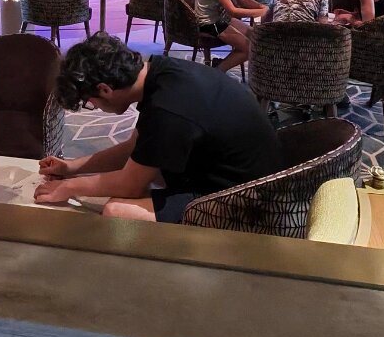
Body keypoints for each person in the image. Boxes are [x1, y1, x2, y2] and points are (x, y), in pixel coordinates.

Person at [33, 34, 285, 223]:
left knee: (117, 211)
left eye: (90, 102)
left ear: (105, 89)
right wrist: (71, 168)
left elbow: (129, 185)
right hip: (241, 172)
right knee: (144, 173)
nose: (95, 107)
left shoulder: (167, 109)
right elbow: (135, 148)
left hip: (249, 200)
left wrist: (69, 187)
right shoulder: (162, 72)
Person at [194, 0, 266, 73]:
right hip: (209, 24)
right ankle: (217, 72)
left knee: (254, 35)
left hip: (219, 19)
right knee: (248, 49)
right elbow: (233, 11)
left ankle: (220, 64)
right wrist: (260, 12)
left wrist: (261, 6)